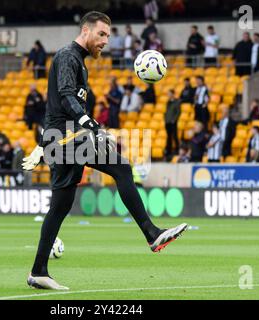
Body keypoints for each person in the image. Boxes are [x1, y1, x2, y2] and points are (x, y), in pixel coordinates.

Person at [22, 11, 188, 290]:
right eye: (101, 34)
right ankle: (151, 233)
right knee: (121, 168)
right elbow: (64, 96)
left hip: (62, 139)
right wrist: (89, 123)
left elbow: (59, 104)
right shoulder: (68, 56)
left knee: (60, 207)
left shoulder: (80, 63)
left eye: (108, 36)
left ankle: (38, 272)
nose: (105, 41)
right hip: (65, 139)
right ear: (85, 31)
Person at [164, 89, 180, 159]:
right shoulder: (168, 102)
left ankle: (177, 149)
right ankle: (169, 151)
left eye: (169, 93)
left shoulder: (177, 102)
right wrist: (166, 119)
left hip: (173, 122)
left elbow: (178, 111)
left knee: (175, 136)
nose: (168, 95)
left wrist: (174, 119)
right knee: (169, 137)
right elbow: (167, 111)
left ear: (173, 94)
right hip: (168, 122)